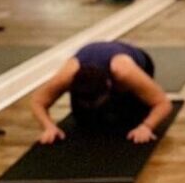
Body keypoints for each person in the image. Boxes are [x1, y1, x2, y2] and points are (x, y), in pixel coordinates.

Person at [28, 41, 172, 145]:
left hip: (138, 61)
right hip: (94, 70)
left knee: (128, 119)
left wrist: (147, 126)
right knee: (85, 122)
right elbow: (37, 101)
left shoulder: (125, 73)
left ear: (109, 86)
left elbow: (163, 103)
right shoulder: (66, 76)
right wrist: (48, 126)